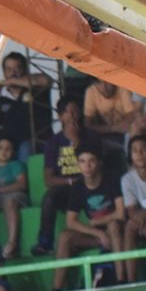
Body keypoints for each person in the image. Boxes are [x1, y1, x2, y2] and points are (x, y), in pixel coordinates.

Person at [51, 144, 125, 291]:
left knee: (113, 225)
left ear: (99, 163)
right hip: (98, 235)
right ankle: (56, 290)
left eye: (91, 161)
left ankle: (121, 280)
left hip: (117, 231)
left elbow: (120, 214)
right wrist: (98, 233)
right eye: (82, 161)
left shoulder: (112, 179)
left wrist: (97, 222)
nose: (87, 166)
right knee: (65, 236)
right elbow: (71, 221)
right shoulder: (78, 187)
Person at [32, 95, 97, 255]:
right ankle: (45, 242)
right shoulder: (53, 143)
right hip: (68, 188)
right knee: (49, 197)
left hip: (90, 185)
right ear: (60, 116)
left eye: (76, 111)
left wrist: (77, 142)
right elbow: (49, 179)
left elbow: (97, 164)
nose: (73, 116)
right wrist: (71, 181)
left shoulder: (91, 137)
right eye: (69, 112)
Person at [0, 51, 53, 159]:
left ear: (25, 69)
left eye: (17, 68)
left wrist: (12, 81)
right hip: (8, 148)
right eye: (9, 69)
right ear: (4, 71)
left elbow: (46, 80)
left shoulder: (37, 88)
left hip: (37, 143)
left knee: (25, 148)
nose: (13, 72)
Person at [121, 134, 146, 283]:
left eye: (143, 149)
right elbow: (131, 210)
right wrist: (142, 219)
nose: (139, 154)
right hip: (141, 223)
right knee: (130, 226)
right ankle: (131, 281)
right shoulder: (127, 179)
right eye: (134, 151)